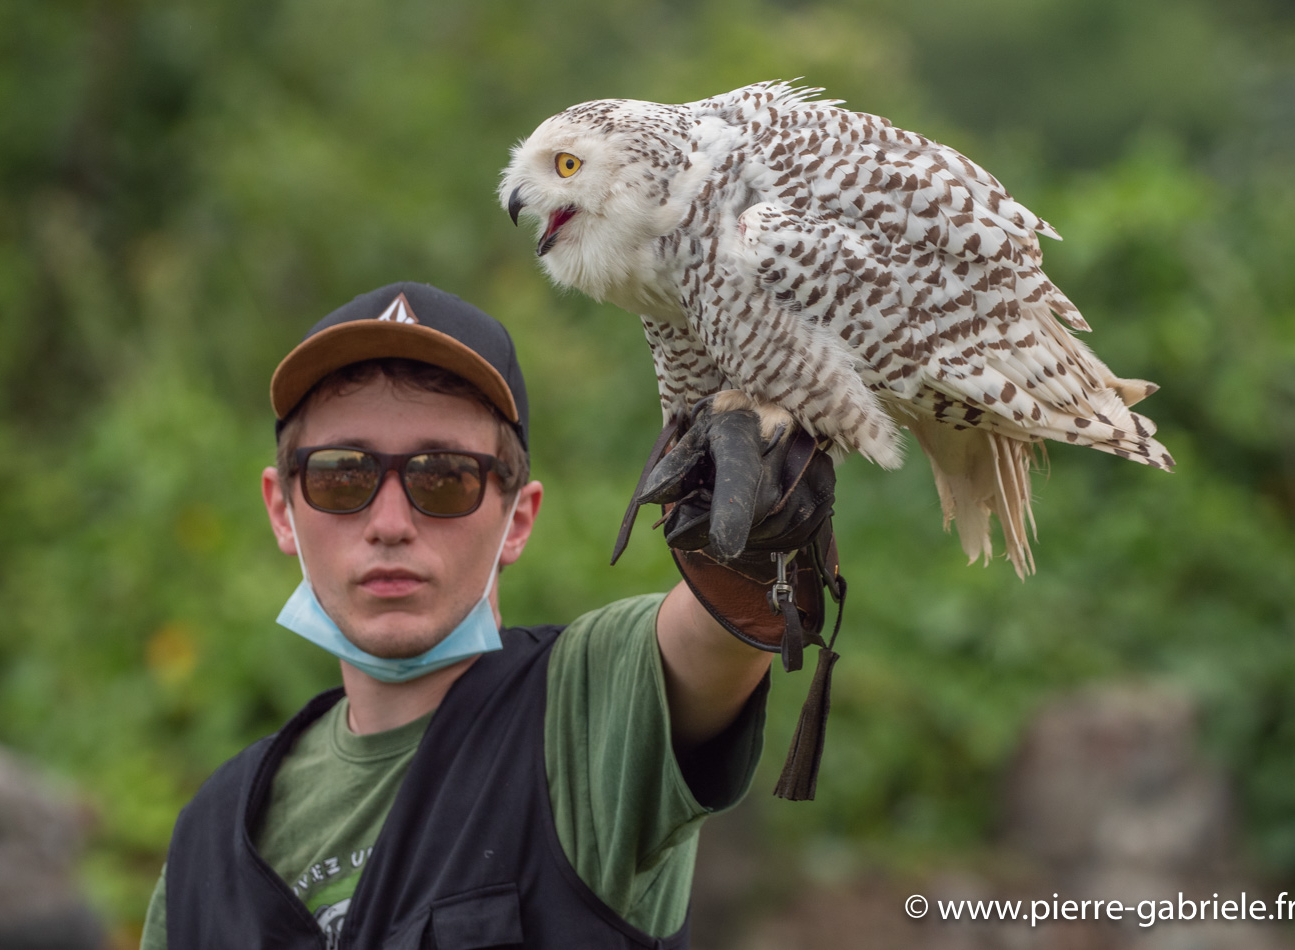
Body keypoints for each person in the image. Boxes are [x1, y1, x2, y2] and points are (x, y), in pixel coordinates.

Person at [140, 281, 813, 949]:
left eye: (443, 477)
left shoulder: (588, 712)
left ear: (518, 519)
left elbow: (724, 622)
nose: (391, 523)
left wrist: (756, 536)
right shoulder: (206, 850)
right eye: (342, 476)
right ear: (283, 509)